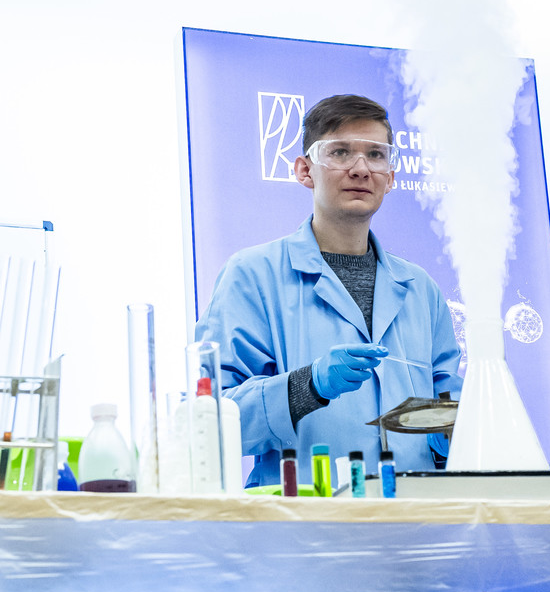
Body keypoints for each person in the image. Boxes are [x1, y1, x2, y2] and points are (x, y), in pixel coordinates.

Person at [197, 94, 462, 487]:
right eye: (340, 152)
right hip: (304, 516)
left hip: (412, 513)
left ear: (391, 177)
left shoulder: (420, 289)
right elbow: (209, 421)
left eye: (376, 155)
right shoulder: (252, 275)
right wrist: (309, 385)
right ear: (305, 170)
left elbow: (449, 411)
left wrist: (456, 428)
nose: (361, 169)